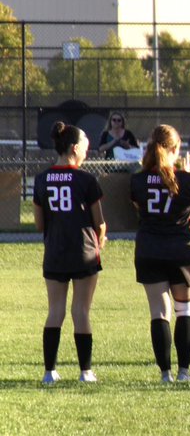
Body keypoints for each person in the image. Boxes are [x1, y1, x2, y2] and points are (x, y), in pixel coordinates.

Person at [130, 125, 190, 383]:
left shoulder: (138, 180)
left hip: (149, 249)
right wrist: (187, 175)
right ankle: (184, 372)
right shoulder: (186, 179)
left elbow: (138, 207)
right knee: (185, 311)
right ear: (175, 150)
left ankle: (165, 374)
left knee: (159, 313)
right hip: (181, 251)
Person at [33, 122, 106, 384]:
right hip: (84, 251)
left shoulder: (41, 179)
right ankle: (85, 372)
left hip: (55, 251)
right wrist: (102, 237)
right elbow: (99, 222)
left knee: (55, 310)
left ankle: (49, 372)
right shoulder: (87, 179)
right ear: (74, 148)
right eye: (85, 144)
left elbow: (40, 224)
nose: (88, 149)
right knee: (81, 312)